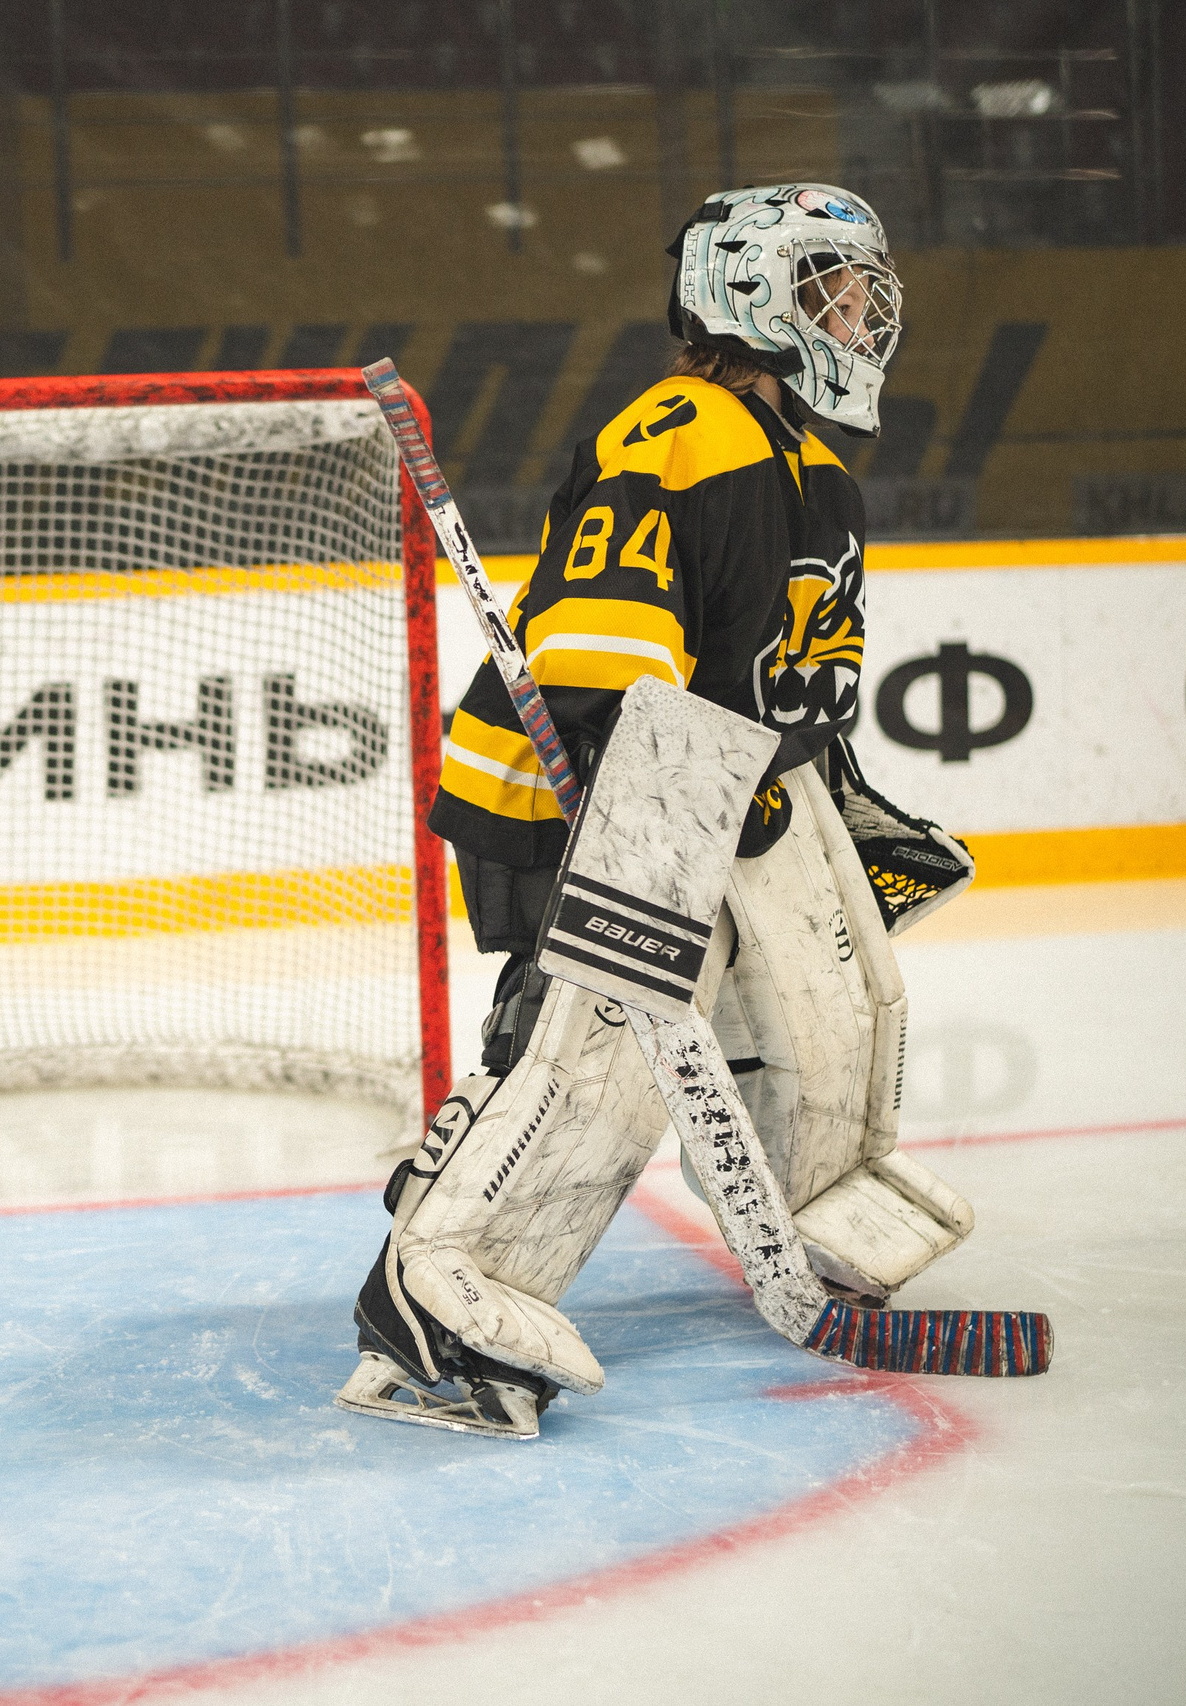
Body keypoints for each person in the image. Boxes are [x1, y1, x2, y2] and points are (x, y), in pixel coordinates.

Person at [339, 183, 980, 1440]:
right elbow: (600, 653)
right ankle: (441, 1288)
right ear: (749, 295)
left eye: (860, 291)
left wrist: (838, 807)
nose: (858, 313)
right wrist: (635, 839)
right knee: (604, 1043)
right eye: (827, 288)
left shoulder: (812, 472)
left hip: (721, 789)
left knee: (834, 993)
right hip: (589, 789)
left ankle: (819, 1191)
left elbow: (780, 687)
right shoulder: (676, 430)